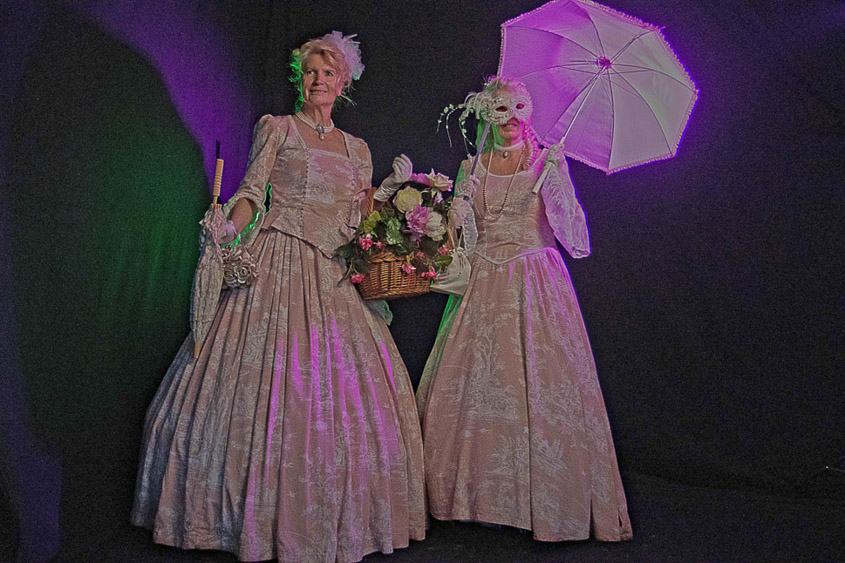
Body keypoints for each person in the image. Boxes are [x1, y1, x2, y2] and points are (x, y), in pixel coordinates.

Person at [131, 32, 425, 562]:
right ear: (299, 78)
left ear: (343, 83)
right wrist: (228, 227)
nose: (318, 81)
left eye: (328, 74)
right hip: (280, 256)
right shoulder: (278, 128)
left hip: (335, 271)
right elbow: (251, 192)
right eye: (311, 72)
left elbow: (360, 218)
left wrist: (386, 196)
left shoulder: (357, 149)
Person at [417, 76, 633, 542]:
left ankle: (542, 503)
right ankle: (472, 499)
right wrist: (453, 216)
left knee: (537, 386)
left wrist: (556, 181)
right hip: (481, 283)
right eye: (500, 109)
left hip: (534, 283)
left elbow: (576, 241)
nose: (510, 118)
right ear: (486, 114)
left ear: (529, 112)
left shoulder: (544, 162)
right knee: (478, 388)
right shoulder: (470, 167)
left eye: (518, 108)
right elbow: (462, 243)